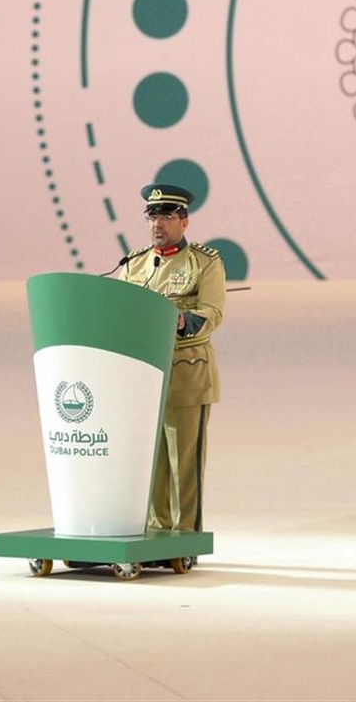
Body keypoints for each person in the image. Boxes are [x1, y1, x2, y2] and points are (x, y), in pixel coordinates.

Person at [119, 183, 226, 532]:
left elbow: (212, 313)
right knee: (151, 467)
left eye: (166, 217)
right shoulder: (134, 263)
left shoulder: (204, 262)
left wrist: (182, 320)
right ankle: (156, 533)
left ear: (184, 221)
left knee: (185, 467)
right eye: (152, 217)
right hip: (143, 377)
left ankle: (186, 539)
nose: (157, 224)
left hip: (186, 375)